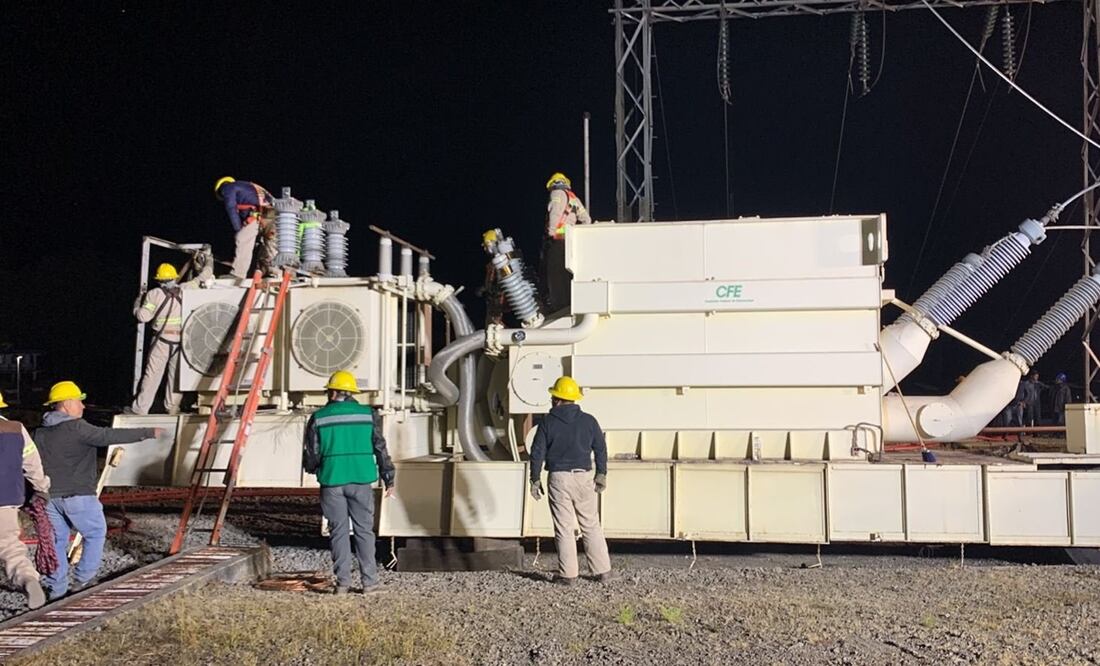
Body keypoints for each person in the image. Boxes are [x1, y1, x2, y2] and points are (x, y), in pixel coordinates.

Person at [34, 381, 162, 599]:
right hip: (78, 497)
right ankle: (83, 580)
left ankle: (57, 589)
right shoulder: (77, 428)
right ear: (66, 404)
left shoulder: (40, 433)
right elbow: (108, 436)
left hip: (49, 499)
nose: (83, 407)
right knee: (94, 533)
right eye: (79, 402)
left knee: (57, 540)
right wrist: (149, 432)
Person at [303, 371, 396, 595]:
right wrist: (389, 478)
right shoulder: (367, 415)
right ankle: (369, 583)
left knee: (338, 532)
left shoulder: (319, 417)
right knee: (364, 531)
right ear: (352, 393)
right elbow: (380, 448)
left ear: (333, 392)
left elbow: (312, 453)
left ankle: (342, 584)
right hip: (361, 479)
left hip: (332, 481)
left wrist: (314, 468)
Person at [528, 376, 612, 585]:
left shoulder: (547, 422)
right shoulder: (589, 421)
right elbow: (601, 448)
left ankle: (568, 576)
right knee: (591, 524)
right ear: (574, 399)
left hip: (559, 478)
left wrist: (535, 479)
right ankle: (602, 572)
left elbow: (537, 452)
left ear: (557, 399)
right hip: (584, 477)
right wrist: (601, 473)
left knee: (564, 527)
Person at [0, 391, 50, 609]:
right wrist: (41, 487)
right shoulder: (15, 429)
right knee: (10, 546)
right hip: (6, 499)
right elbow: (32, 463)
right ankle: (27, 577)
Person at [129, 263, 184, 415]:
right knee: (176, 377)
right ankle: (173, 407)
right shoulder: (185, 291)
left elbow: (143, 316)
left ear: (160, 280)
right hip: (181, 342)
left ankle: (140, 409)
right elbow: (201, 279)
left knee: (152, 376)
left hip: (162, 340)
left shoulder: (154, 294)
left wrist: (137, 305)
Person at [541, 172, 591, 313]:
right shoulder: (573, 198)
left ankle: (559, 309)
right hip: (570, 242)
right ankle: (569, 305)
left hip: (557, 242)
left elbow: (555, 213)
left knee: (555, 277)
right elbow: (587, 219)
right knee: (567, 276)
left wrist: (551, 232)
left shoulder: (557, 193)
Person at [214, 176, 275, 279]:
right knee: (270, 244)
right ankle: (274, 273)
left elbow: (231, 207)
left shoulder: (228, 187)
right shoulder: (250, 186)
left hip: (258, 215)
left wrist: (238, 229)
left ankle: (238, 274)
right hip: (274, 215)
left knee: (242, 238)